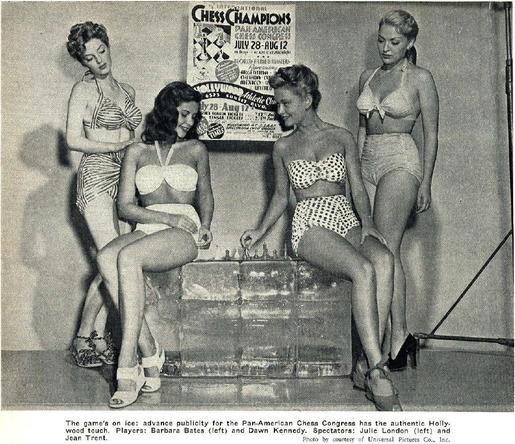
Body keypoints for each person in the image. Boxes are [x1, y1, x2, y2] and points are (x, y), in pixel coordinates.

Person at [241, 65, 401, 411]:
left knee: (384, 260)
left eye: (285, 103)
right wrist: (259, 230)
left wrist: (369, 223)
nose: (279, 111)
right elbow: (282, 198)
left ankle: (362, 360)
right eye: (276, 104)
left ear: (308, 99)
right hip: (310, 223)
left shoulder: (341, 137)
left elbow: (356, 186)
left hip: (345, 215)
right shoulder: (282, 147)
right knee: (361, 269)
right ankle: (376, 369)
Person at [96, 82, 214, 408]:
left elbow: (205, 195)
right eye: (185, 113)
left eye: (194, 115)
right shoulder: (136, 151)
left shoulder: (195, 150)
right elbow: (124, 207)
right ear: (167, 109)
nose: (190, 121)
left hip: (183, 232)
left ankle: (127, 363)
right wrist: (165, 217)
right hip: (147, 227)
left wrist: (204, 226)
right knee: (107, 257)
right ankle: (151, 351)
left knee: (128, 256)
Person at [356, 10, 439, 370]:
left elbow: (432, 134)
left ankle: (388, 339)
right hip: (367, 160)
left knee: (384, 248)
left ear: (409, 44)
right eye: (381, 40)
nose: (386, 48)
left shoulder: (420, 78)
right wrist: (355, 170)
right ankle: (396, 337)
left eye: (394, 42)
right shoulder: (367, 76)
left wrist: (427, 181)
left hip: (401, 160)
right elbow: (361, 130)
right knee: (376, 250)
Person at [66, 22, 142, 368]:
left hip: (125, 175)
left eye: (102, 51)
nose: (99, 61)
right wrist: (117, 144)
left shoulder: (127, 91)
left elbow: (133, 138)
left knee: (121, 258)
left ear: (108, 47)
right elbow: (73, 140)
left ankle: (92, 335)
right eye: (90, 57)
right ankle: (129, 343)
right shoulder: (82, 91)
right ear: (83, 62)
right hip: (96, 174)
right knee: (111, 258)